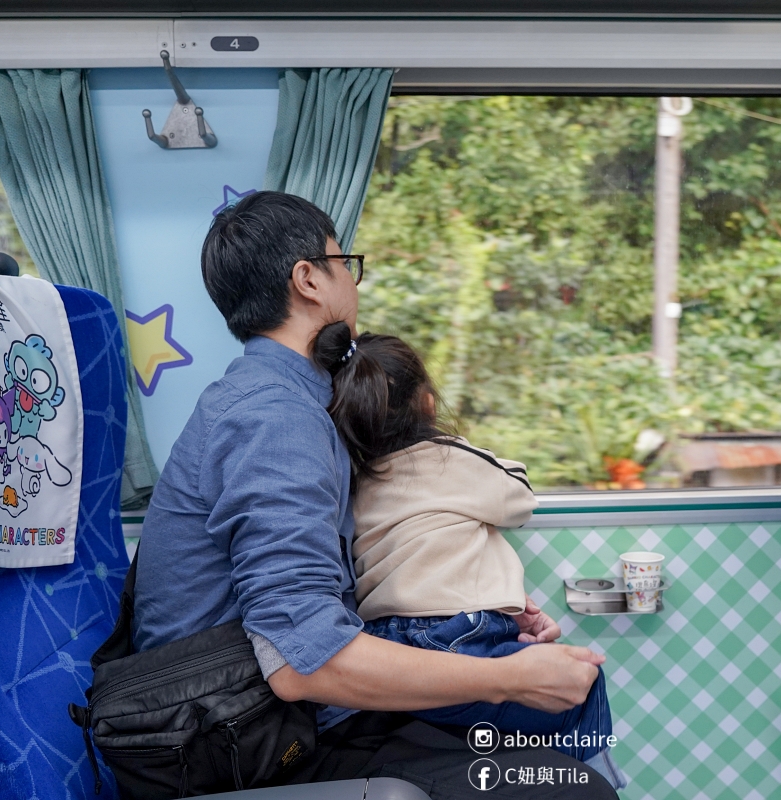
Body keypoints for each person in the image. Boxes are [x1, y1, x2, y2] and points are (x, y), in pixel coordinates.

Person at [131, 191, 618, 798]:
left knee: (526, 754)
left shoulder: (284, 400)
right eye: (346, 264)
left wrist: (483, 610)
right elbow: (301, 662)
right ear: (308, 279)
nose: (354, 286)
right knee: (569, 789)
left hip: (266, 720)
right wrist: (506, 678)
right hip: (235, 740)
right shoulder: (275, 419)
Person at [309, 325, 628, 788]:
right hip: (458, 631)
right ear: (429, 404)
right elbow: (518, 497)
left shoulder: (353, 480)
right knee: (581, 680)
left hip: (386, 645)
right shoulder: (449, 458)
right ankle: (592, 774)